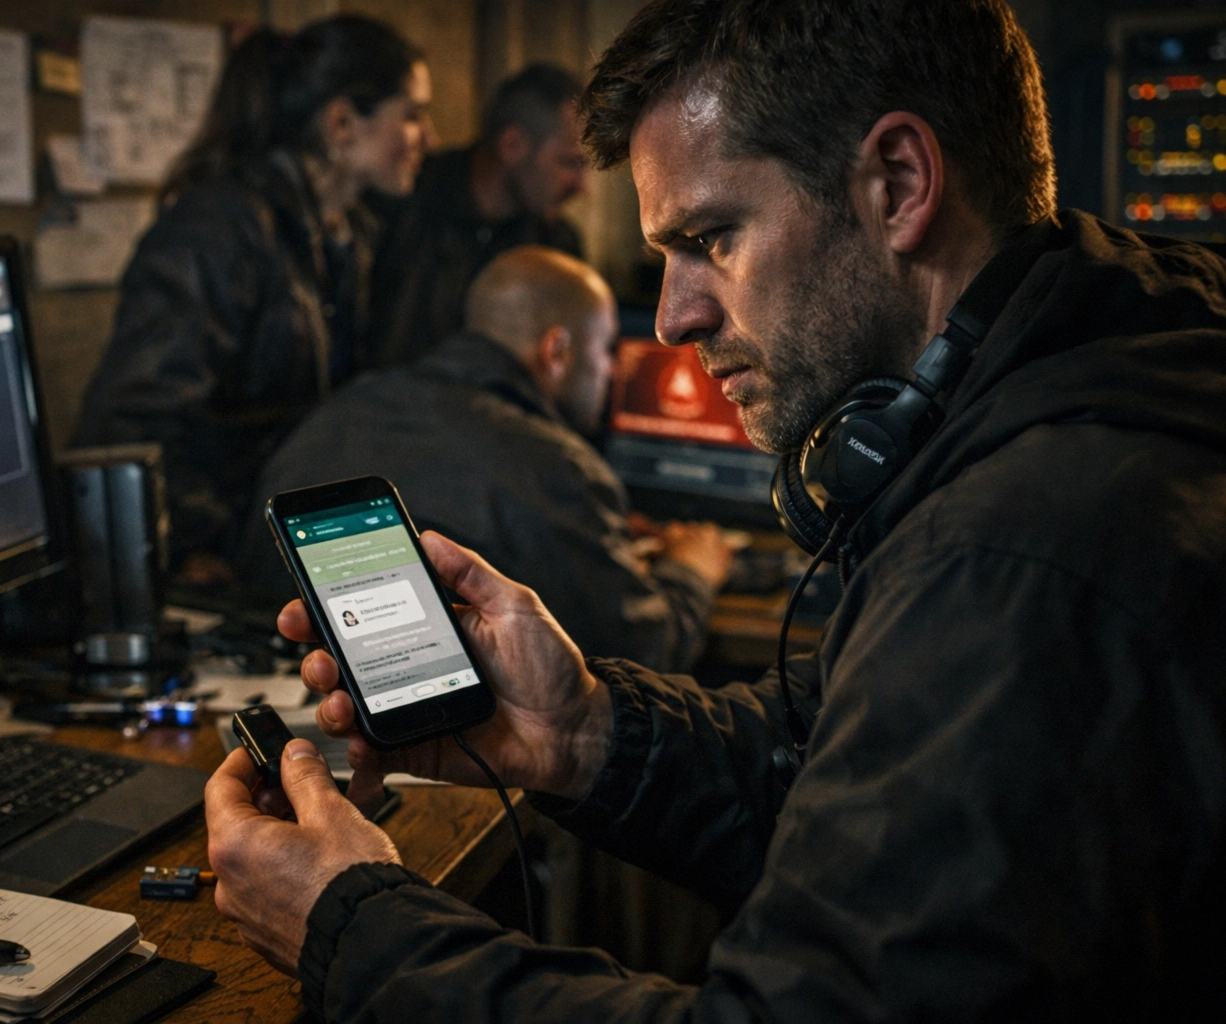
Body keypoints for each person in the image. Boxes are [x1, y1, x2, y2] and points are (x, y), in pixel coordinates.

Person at [205, 0, 1226, 1018]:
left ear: (899, 183)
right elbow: (857, 785)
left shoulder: (1015, 558)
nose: (672, 317)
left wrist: (353, 929)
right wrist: (585, 733)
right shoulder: (1106, 371)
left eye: (710, 237)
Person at [238, 246, 729, 673]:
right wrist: (692, 571)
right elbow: (643, 654)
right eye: (605, 348)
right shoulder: (557, 467)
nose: (611, 371)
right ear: (557, 351)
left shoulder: (342, 409)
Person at [72, 18, 434, 573]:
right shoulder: (218, 230)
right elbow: (133, 417)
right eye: (411, 115)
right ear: (341, 123)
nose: (428, 138)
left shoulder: (351, 236)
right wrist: (198, 546)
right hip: (213, 557)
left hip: (283, 538)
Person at [366, 64, 590, 367]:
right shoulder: (399, 204)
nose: (582, 187)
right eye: (569, 162)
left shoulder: (557, 248)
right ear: (512, 145)